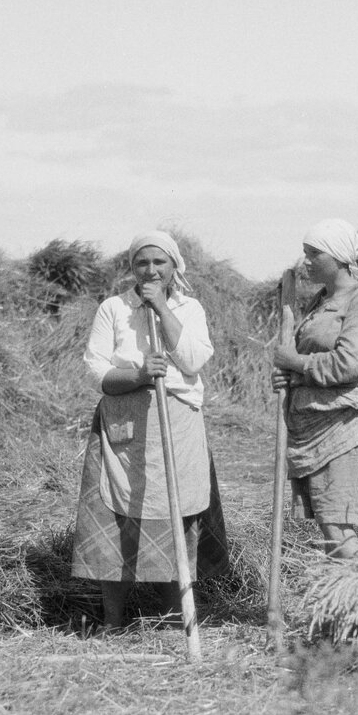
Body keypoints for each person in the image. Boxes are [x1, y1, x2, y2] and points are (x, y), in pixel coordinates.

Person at [70, 231, 229, 629]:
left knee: (177, 513)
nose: (151, 269)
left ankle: (174, 618)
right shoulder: (112, 308)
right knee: (114, 515)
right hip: (124, 422)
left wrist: (161, 306)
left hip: (177, 423)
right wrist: (139, 375)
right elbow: (97, 370)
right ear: (131, 267)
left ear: (175, 266)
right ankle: (113, 621)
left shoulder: (190, 308)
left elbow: (192, 361)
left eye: (160, 262)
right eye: (143, 262)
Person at [272, 218, 358, 559]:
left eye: (314, 254)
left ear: (339, 257)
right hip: (314, 421)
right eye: (304, 253)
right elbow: (308, 360)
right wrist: (292, 377)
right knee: (330, 528)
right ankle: (343, 602)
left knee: (339, 529)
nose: (306, 262)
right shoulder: (321, 300)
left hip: (347, 424)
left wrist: (295, 364)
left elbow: (350, 364)